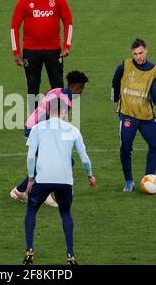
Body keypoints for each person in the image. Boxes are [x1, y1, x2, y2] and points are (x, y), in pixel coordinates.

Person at [22, 97, 96, 265]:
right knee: (65, 213)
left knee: (31, 210)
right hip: (65, 180)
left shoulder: (37, 129)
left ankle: (29, 252)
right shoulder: (73, 130)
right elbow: (84, 159)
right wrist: (90, 175)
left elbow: (30, 157)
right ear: (64, 112)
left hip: (42, 179)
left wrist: (30, 178)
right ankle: (70, 256)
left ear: (48, 110)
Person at [10, 70, 89, 207]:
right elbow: (55, 123)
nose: (81, 92)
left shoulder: (57, 91)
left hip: (32, 126)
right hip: (37, 131)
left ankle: (26, 191)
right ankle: (30, 192)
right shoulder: (66, 102)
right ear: (76, 88)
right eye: (81, 89)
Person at [10, 0, 73, 115]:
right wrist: (16, 52)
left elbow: (68, 21)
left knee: (57, 85)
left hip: (54, 50)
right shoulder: (25, 0)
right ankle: (34, 120)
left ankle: (60, 117)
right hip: (31, 51)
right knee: (33, 86)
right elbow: (14, 27)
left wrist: (66, 45)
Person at [111, 39, 156, 192]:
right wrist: (115, 97)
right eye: (135, 54)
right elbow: (115, 82)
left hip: (146, 117)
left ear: (146, 51)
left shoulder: (155, 71)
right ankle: (129, 180)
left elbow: (155, 94)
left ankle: (149, 178)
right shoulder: (124, 66)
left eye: (141, 53)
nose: (138, 57)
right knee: (126, 147)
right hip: (128, 115)